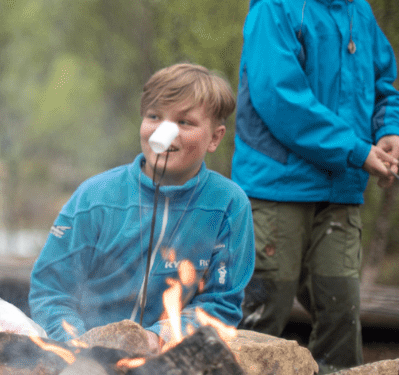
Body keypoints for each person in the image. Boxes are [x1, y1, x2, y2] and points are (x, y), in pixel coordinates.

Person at [232, 0, 399, 374]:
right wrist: (357, 150)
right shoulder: (276, 6)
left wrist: (392, 133)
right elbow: (282, 100)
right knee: (264, 308)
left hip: (341, 190)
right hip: (277, 189)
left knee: (341, 310)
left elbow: (385, 87)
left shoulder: (362, 14)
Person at [29, 63, 254, 352]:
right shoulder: (95, 197)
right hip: (84, 354)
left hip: (172, 358)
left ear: (215, 137)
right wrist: (79, 346)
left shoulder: (229, 206)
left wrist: (155, 339)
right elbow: (51, 291)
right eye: (154, 116)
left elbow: (220, 304)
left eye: (184, 122)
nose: (164, 130)